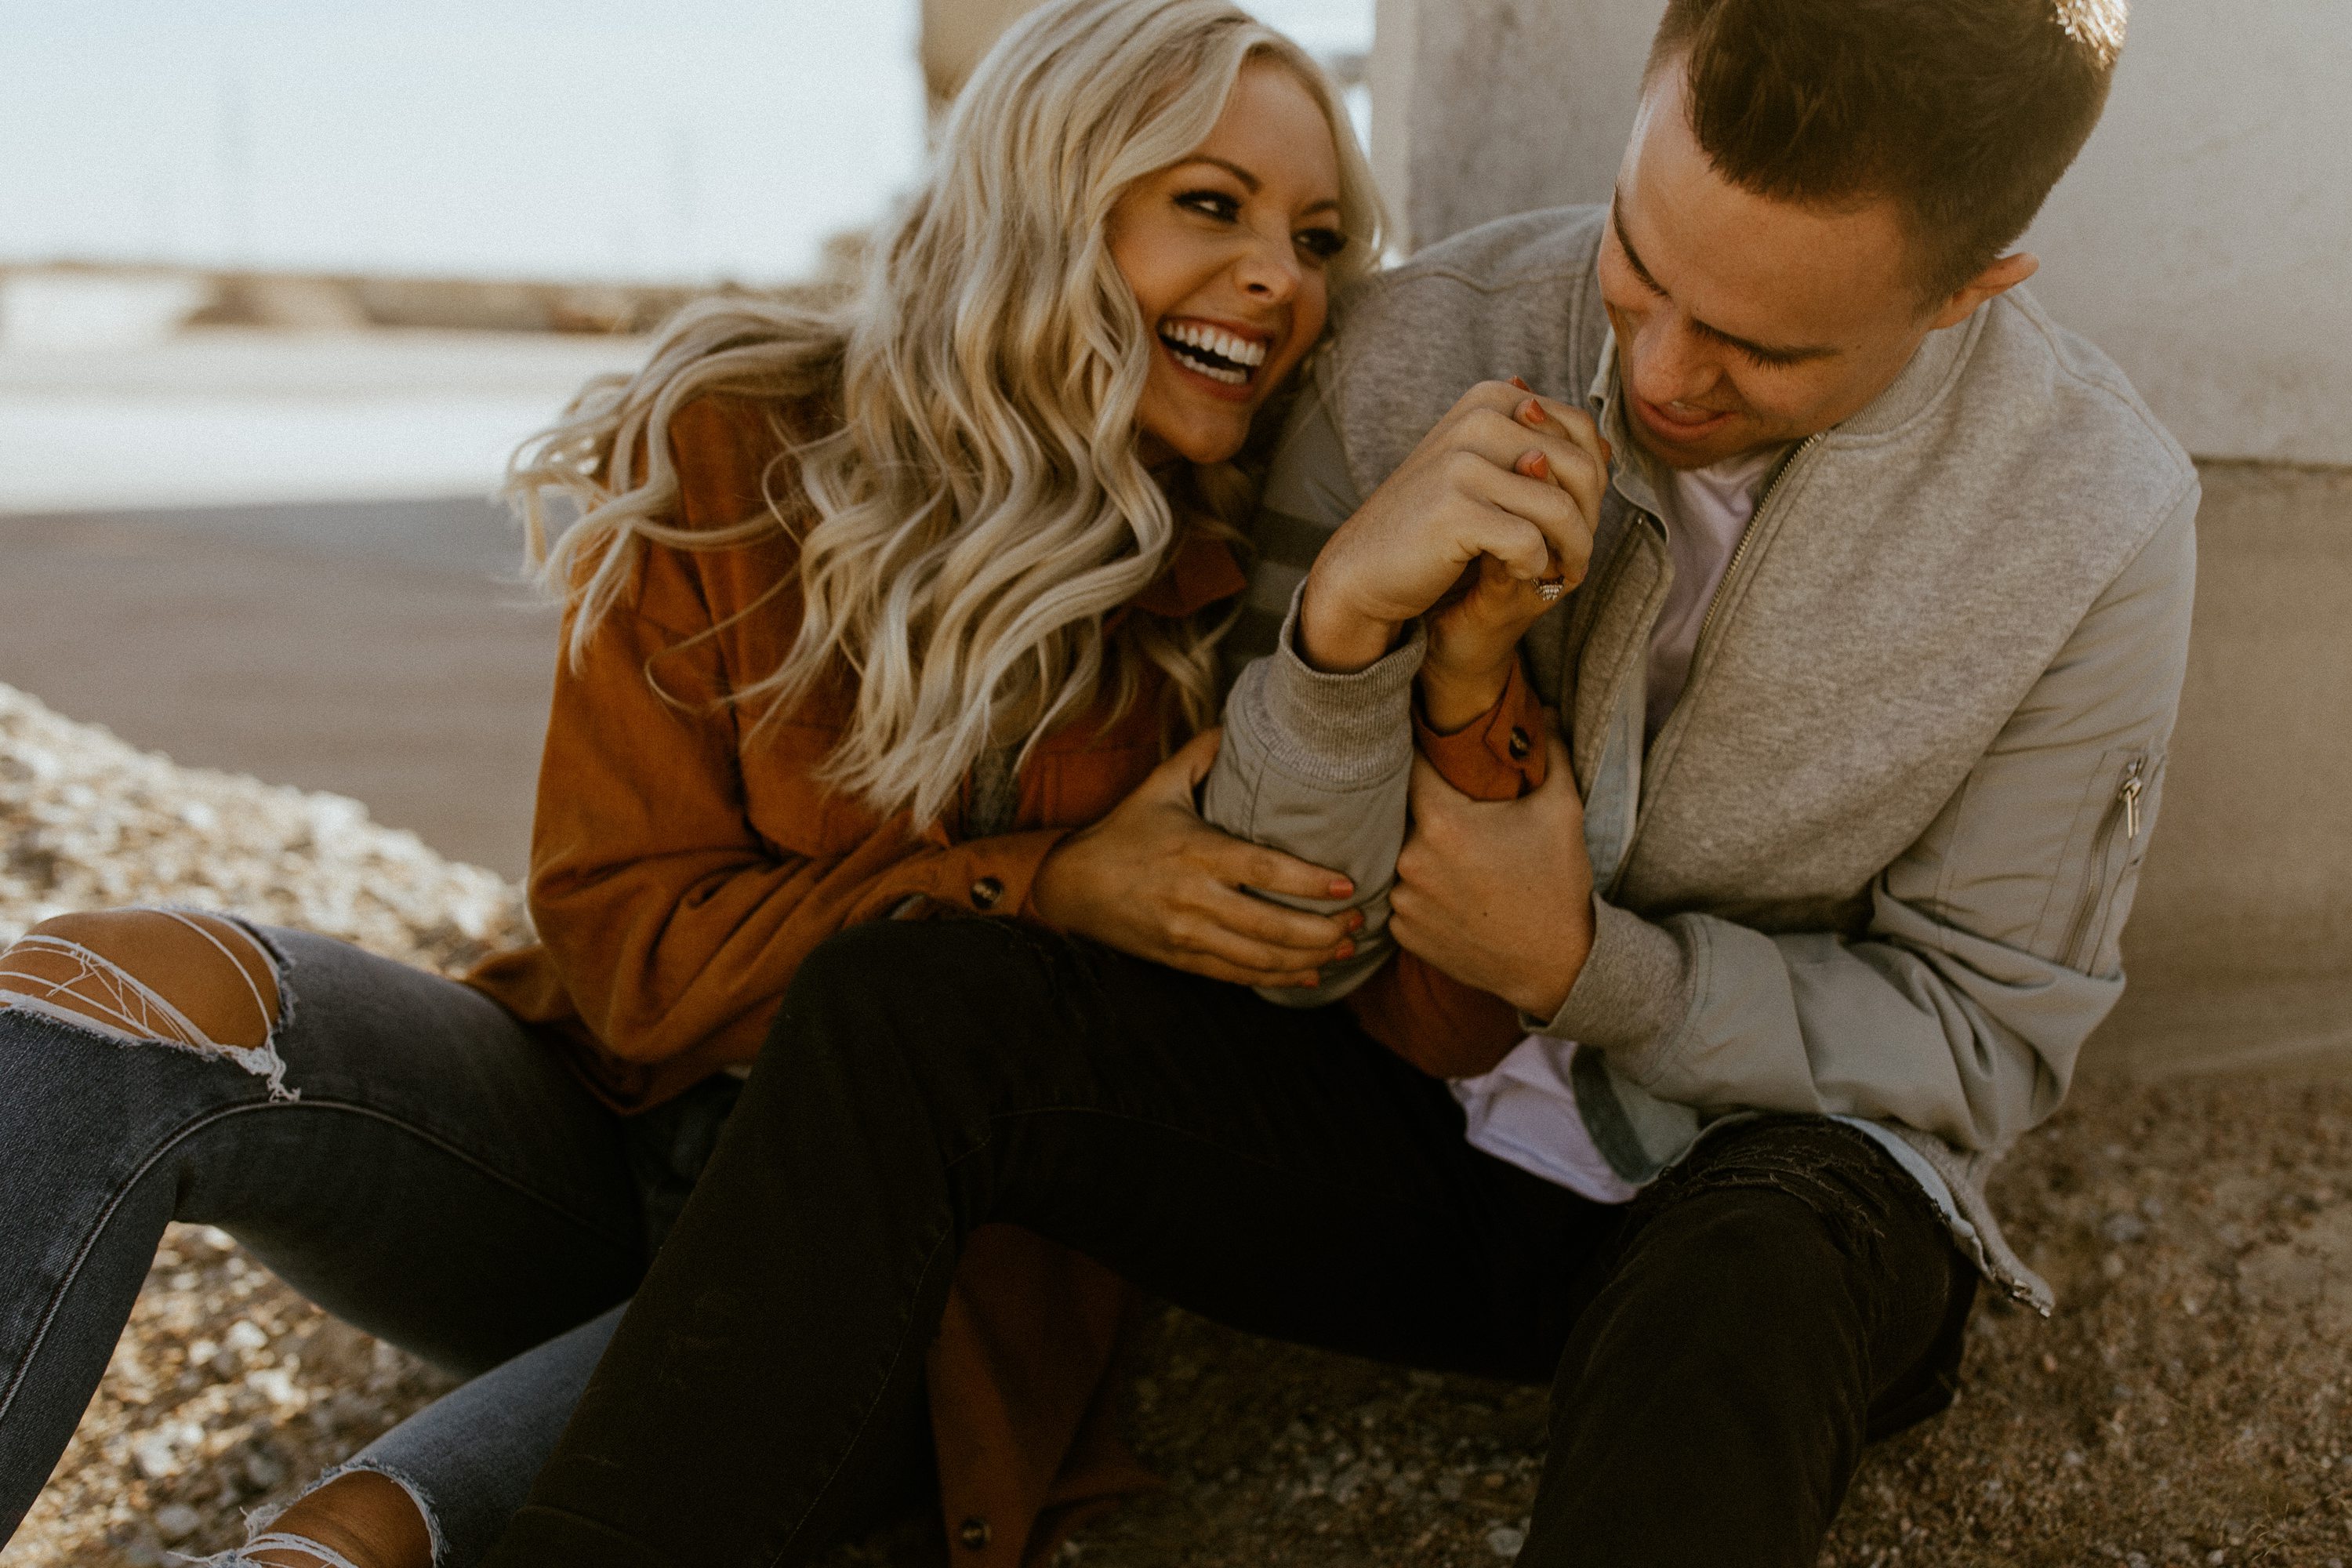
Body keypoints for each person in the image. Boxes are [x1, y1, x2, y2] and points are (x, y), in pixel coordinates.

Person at [473, 0, 2198, 1564]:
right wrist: (1345, 640)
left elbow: (1979, 1041)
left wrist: (1593, 973)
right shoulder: (1420, 336)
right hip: (1381, 1132)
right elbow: (1288, 924)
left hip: (1752, 1188)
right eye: (1638, 267)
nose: (1666, 374)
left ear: (1976, 287)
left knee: (1761, 1266)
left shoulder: (2097, 518)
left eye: (1768, 351)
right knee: (912, 1004)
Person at [0, 3, 1381, 1565]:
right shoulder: (742, 444)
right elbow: (631, 960)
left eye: (1319, 236)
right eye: (1212, 204)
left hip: (868, 1286)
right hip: (589, 1141)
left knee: (344, 1543)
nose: (1283, 275)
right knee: (105, 986)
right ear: (1047, 199)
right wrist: (1045, 881)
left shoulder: (1250, 600)